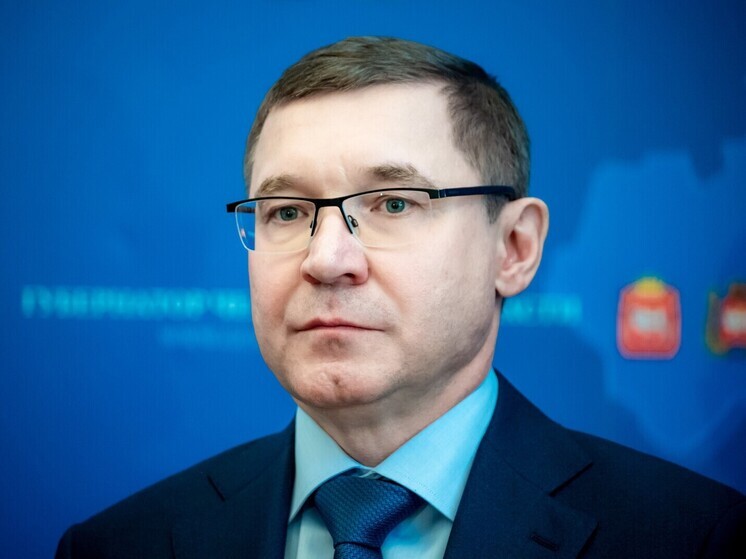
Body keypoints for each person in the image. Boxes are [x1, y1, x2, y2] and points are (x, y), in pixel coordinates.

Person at [56, 36, 744, 558]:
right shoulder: (121, 544)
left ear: (514, 248)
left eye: (392, 203)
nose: (326, 259)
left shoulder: (696, 538)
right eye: (287, 212)